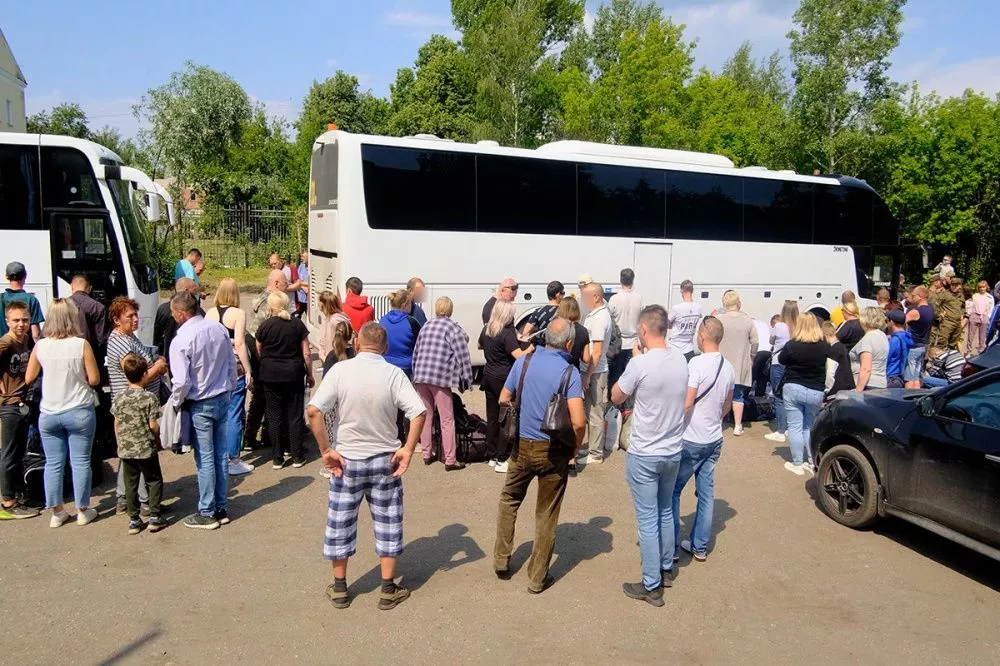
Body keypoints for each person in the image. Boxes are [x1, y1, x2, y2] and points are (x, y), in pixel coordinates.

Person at [305, 322, 427, 611]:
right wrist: (408, 449)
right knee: (388, 521)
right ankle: (387, 588)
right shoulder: (393, 374)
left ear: (357, 343)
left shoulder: (340, 371)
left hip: (347, 460)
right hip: (385, 459)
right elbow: (418, 411)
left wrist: (325, 450)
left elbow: (313, 412)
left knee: (340, 522)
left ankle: (340, 589)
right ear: (385, 348)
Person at [494, 318, 585, 594]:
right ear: (568, 343)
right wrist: (574, 448)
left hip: (521, 444)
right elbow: (579, 422)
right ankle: (537, 577)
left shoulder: (524, 361)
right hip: (552, 449)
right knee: (546, 513)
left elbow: (503, 397)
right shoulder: (570, 373)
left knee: (509, 499)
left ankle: (501, 558)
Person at [610, 306, 689, 606]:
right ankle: (667, 567)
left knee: (647, 518)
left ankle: (652, 583)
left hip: (645, 452)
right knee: (666, 510)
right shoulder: (681, 359)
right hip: (672, 449)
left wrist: (634, 362)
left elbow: (616, 395)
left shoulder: (640, 364)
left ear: (643, 330)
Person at [24, 299, 101, 527]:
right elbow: (95, 378)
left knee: (53, 463)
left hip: (49, 412)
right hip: (78, 409)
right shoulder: (81, 344)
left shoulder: (41, 345)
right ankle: (82, 509)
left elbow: (29, 378)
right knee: (80, 462)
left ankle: (57, 512)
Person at [168, 291, 237, 530]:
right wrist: (229, 388)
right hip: (221, 397)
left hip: (200, 403)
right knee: (220, 455)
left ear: (180, 313)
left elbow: (181, 382)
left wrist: (175, 403)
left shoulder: (181, 339)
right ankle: (221, 506)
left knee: (205, 458)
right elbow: (231, 362)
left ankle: (207, 511)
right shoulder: (217, 328)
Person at [672, 316, 735, 564]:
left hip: (692, 438)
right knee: (706, 494)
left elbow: (687, 401)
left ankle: (673, 548)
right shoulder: (728, 366)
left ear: (702, 336)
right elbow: (727, 405)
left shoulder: (696, 364)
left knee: (674, 491)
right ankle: (699, 546)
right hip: (714, 437)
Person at [106, 296, 169, 515]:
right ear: (116, 320)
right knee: (141, 452)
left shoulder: (129, 337)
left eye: (135, 315)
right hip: (133, 406)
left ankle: (124, 498)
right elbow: (135, 377)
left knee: (129, 452)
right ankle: (144, 502)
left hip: (138, 402)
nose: (135, 319)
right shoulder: (121, 343)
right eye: (129, 316)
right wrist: (158, 367)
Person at [411, 297, 473, 471]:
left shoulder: (426, 326)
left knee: (426, 415)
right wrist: (466, 380)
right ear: (450, 310)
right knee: (447, 418)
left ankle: (426, 453)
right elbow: (463, 356)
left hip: (422, 376)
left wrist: (415, 374)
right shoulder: (453, 328)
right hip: (440, 377)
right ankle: (450, 459)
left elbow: (416, 352)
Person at [255, 292, 314, 469]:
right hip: (293, 373)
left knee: (274, 415)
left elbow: (259, 350)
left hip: (270, 374)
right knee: (294, 415)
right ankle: (296, 455)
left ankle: (277, 457)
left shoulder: (265, 326)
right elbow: (306, 352)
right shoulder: (297, 324)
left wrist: (267, 362)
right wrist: (310, 374)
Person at [111, 354, 166, 535]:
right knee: (153, 480)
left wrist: (121, 441)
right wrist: (158, 432)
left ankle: (134, 520)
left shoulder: (119, 397)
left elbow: (117, 423)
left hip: (126, 448)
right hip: (145, 447)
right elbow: (153, 425)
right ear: (144, 374)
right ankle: (155, 516)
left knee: (130, 483)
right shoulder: (149, 398)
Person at [206, 278, 254, 476]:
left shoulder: (209, 313)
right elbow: (241, 344)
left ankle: (219, 455)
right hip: (233, 366)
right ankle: (233, 457)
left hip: (214, 368)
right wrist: (248, 369)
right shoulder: (238, 314)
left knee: (219, 412)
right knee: (235, 412)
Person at [479, 300, 530, 473]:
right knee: (507, 419)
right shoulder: (507, 333)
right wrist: (531, 346)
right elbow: (519, 357)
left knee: (492, 417)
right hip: (504, 378)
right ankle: (503, 458)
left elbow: (479, 345)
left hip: (488, 375)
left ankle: (492, 455)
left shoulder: (488, 329)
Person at [0, 301, 39, 519]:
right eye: (16, 320)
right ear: (7, 321)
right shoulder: (5, 343)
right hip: (8, 406)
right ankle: (7, 502)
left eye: (24, 320)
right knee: (9, 454)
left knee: (19, 453)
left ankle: (18, 496)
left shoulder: (24, 341)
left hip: (22, 403)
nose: (21, 324)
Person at [777, 313, 829, 476]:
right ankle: (812, 460)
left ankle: (797, 462)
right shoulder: (823, 345)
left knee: (795, 426)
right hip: (816, 389)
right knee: (809, 426)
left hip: (794, 386)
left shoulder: (792, 345)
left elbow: (781, 359)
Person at [716, 290, 758, 436]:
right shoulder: (747, 320)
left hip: (722, 363)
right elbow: (755, 342)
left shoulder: (719, 319)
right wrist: (752, 356)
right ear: (738, 302)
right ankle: (738, 425)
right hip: (740, 362)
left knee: (721, 395)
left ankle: (719, 422)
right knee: (738, 395)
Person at [765, 301, 798, 444]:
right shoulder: (799, 327)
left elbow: (771, 340)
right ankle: (791, 428)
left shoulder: (779, 326)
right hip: (793, 364)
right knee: (791, 397)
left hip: (778, 363)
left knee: (778, 396)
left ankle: (780, 430)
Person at [607, 268, 643, 390]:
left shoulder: (614, 299)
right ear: (633, 280)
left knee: (616, 376)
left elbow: (609, 320)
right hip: (634, 343)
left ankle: (615, 404)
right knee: (631, 377)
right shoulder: (639, 298)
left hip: (617, 344)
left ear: (620, 280)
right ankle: (628, 406)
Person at [153, 277, 202, 361]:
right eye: (195, 291)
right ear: (186, 291)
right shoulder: (197, 311)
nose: (197, 294)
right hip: (188, 358)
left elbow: (157, 338)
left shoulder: (162, 309)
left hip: (167, 357)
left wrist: (158, 357)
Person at [380, 289, 422, 378]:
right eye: (410, 303)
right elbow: (420, 345)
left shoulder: (382, 321)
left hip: (385, 366)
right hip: (406, 369)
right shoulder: (412, 322)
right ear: (405, 305)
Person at [68, 275, 109, 363]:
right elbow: (101, 338)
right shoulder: (98, 307)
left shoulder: (61, 306)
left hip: (66, 356)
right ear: (89, 288)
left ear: (71, 286)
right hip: (91, 357)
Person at [1, 262, 44, 341]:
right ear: (25, 276)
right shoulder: (31, 300)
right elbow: (36, 334)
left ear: (7, 277)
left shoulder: (1, 298)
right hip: (25, 349)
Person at [851, 307, 889, 392]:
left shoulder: (868, 338)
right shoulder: (882, 335)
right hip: (881, 383)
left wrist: (858, 391)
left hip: (868, 385)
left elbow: (866, 369)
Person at [904, 286, 933, 389]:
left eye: (913, 295)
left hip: (913, 345)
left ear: (920, 297)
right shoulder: (930, 309)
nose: (912, 297)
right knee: (916, 377)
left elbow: (900, 323)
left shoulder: (916, 312)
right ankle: (916, 397)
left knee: (909, 377)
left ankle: (906, 399)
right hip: (923, 345)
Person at [248, 269, 293, 337]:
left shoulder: (260, 296)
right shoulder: (273, 302)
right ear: (276, 283)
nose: (287, 286)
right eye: (285, 283)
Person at [667, 279, 702, 362]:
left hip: (675, 346)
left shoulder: (677, 308)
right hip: (689, 347)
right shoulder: (698, 307)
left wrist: (671, 325)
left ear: (681, 291)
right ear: (692, 291)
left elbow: (666, 323)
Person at [557, 296, 591, 372]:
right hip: (574, 371)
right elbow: (586, 359)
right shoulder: (583, 331)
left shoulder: (556, 327)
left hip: (557, 369)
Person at [318, 291, 353, 364]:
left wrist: (326, 359)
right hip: (331, 358)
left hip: (335, 359)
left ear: (322, 304)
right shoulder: (328, 318)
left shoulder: (335, 321)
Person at [822, 322, 855, 396]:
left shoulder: (833, 349)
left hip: (838, 391)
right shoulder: (842, 347)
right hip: (849, 387)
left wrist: (828, 389)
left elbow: (830, 372)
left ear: (825, 335)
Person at [886, 310, 912, 389]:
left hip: (891, 377)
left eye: (887, 321)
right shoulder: (909, 337)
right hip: (904, 378)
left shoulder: (894, 340)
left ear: (892, 322)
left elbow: (887, 359)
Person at [967, 280, 994, 357]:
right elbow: (970, 305)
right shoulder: (975, 295)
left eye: (983, 287)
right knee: (970, 335)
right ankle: (968, 351)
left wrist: (988, 317)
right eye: (980, 287)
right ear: (978, 288)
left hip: (984, 316)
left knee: (982, 336)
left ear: (986, 287)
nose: (982, 289)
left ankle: (981, 352)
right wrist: (970, 315)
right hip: (974, 315)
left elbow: (991, 309)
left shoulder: (990, 297)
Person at [295, 251, 310, 319]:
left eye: (303, 257)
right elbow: (297, 279)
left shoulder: (311, 268)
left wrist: (300, 283)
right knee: (296, 318)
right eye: (301, 256)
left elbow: (311, 283)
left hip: (308, 301)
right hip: (300, 299)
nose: (301, 258)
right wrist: (303, 285)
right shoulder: (301, 266)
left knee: (310, 320)